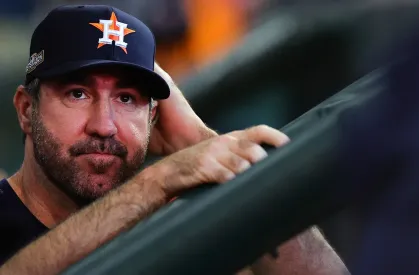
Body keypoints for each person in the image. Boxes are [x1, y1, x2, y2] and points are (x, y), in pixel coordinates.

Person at [0, 5, 349, 275]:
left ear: (154, 116)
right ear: (26, 109)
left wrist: (196, 138)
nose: (104, 126)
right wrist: (156, 182)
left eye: (127, 99)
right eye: (77, 94)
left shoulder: (176, 224)